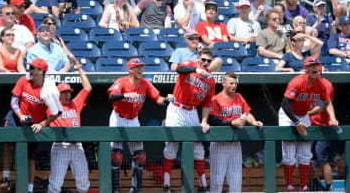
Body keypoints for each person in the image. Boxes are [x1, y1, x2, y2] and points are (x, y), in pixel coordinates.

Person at [0, 58, 62, 192]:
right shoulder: (24, 80)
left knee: (30, 157)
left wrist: (42, 124)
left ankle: (29, 189)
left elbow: (57, 113)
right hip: (17, 117)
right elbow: (14, 100)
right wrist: (20, 115)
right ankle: (5, 178)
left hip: (34, 123)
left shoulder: (48, 89)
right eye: (30, 67)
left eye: (33, 68)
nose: (30, 70)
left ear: (41, 71)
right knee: (8, 144)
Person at [107, 58, 168, 193]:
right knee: (116, 155)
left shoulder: (145, 83)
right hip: (118, 118)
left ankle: (135, 189)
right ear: (130, 70)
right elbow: (112, 96)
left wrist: (167, 100)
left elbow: (157, 99)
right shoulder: (121, 81)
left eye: (141, 67)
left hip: (134, 119)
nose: (140, 69)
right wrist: (125, 95)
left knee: (140, 156)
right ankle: (115, 189)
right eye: (137, 67)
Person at [279, 56, 339, 191]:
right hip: (288, 115)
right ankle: (289, 186)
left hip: (304, 114)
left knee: (305, 154)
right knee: (289, 154)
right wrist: (296, 122)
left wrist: (333, 118)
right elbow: (284, 104)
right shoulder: (297, 82)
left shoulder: (320, 84)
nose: (315, 68)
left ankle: (304, 187)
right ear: (305, 69)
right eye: (311, 66)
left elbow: (327, 103)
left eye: (316, 65)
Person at [162, 47, 215, 193]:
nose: (205, 62)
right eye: (203, 59)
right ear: (198, 58)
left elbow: (207, 102)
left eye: (208, 61)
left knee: (198, 148)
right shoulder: (190, 63)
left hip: (192, 112)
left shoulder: (210, 79)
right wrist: (195, 69)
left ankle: (203, 185)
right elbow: (179, 69)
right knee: (171, 146)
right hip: (177, 108)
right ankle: (167, 186)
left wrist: (204, 121)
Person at [208, 71, 263, 193]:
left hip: (235, 145)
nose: (234, 86)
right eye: (231, 83)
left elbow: (246, 113)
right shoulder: (215, 99)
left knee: (236, 183)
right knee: (217, 183)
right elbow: (213, 121)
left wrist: (253, 122)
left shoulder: (239, 97)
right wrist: (231, 123)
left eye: (235, 83)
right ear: (224, 83)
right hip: (219, 144)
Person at [47, 57, 92, 193]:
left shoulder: (75, 103)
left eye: (68, 92)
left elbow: (87, 87)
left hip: (77, 146)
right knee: (55, 184)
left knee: (83, 183)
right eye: (64, 92)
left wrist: (79, 69)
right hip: (61, 146)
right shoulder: (52, 104)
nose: (67, 95)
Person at [308, 64, 335, 191]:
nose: (314, 73)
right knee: (307, 157)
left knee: (322, 158)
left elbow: (322, 106)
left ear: (320, 72)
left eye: (317, 71)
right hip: (310, 126)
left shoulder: (326, 84)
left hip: (323, 126)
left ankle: (329, 187)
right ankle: (317, 184)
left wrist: (303, 114)